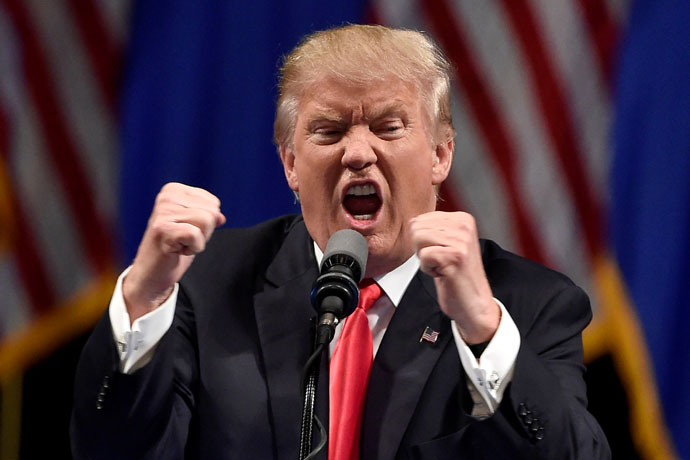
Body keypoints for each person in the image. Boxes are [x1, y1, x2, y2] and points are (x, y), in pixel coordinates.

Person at [71, 24, 610, 459]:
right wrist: (141, 298)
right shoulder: (206, 287)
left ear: (441, 156)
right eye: (328, 131)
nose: (357, 152)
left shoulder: (530, 303)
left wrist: (482, 331)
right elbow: (113, 449)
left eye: (388, 126)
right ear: (290, 165)